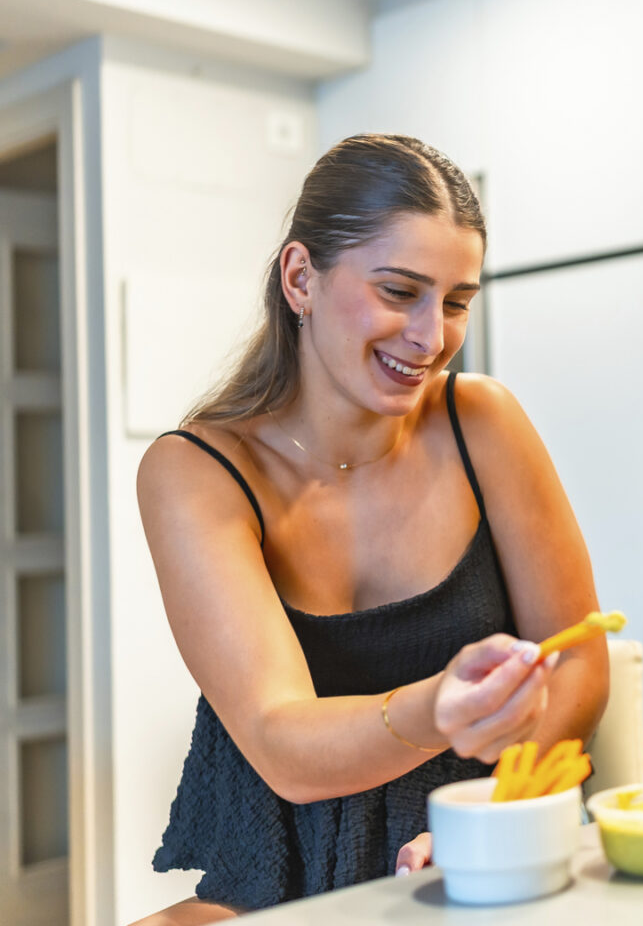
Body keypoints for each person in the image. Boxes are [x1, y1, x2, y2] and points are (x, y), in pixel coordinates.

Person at [132, 134, 606, 923]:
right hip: (283, 883)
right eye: (399, 291)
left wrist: (489, 810)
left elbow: (582, 659)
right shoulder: (195, 472)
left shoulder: (482, 421)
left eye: (456, 302)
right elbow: (282, 742)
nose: (431, 337)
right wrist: (434, 710)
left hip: (491, 857)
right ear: (300, 279)